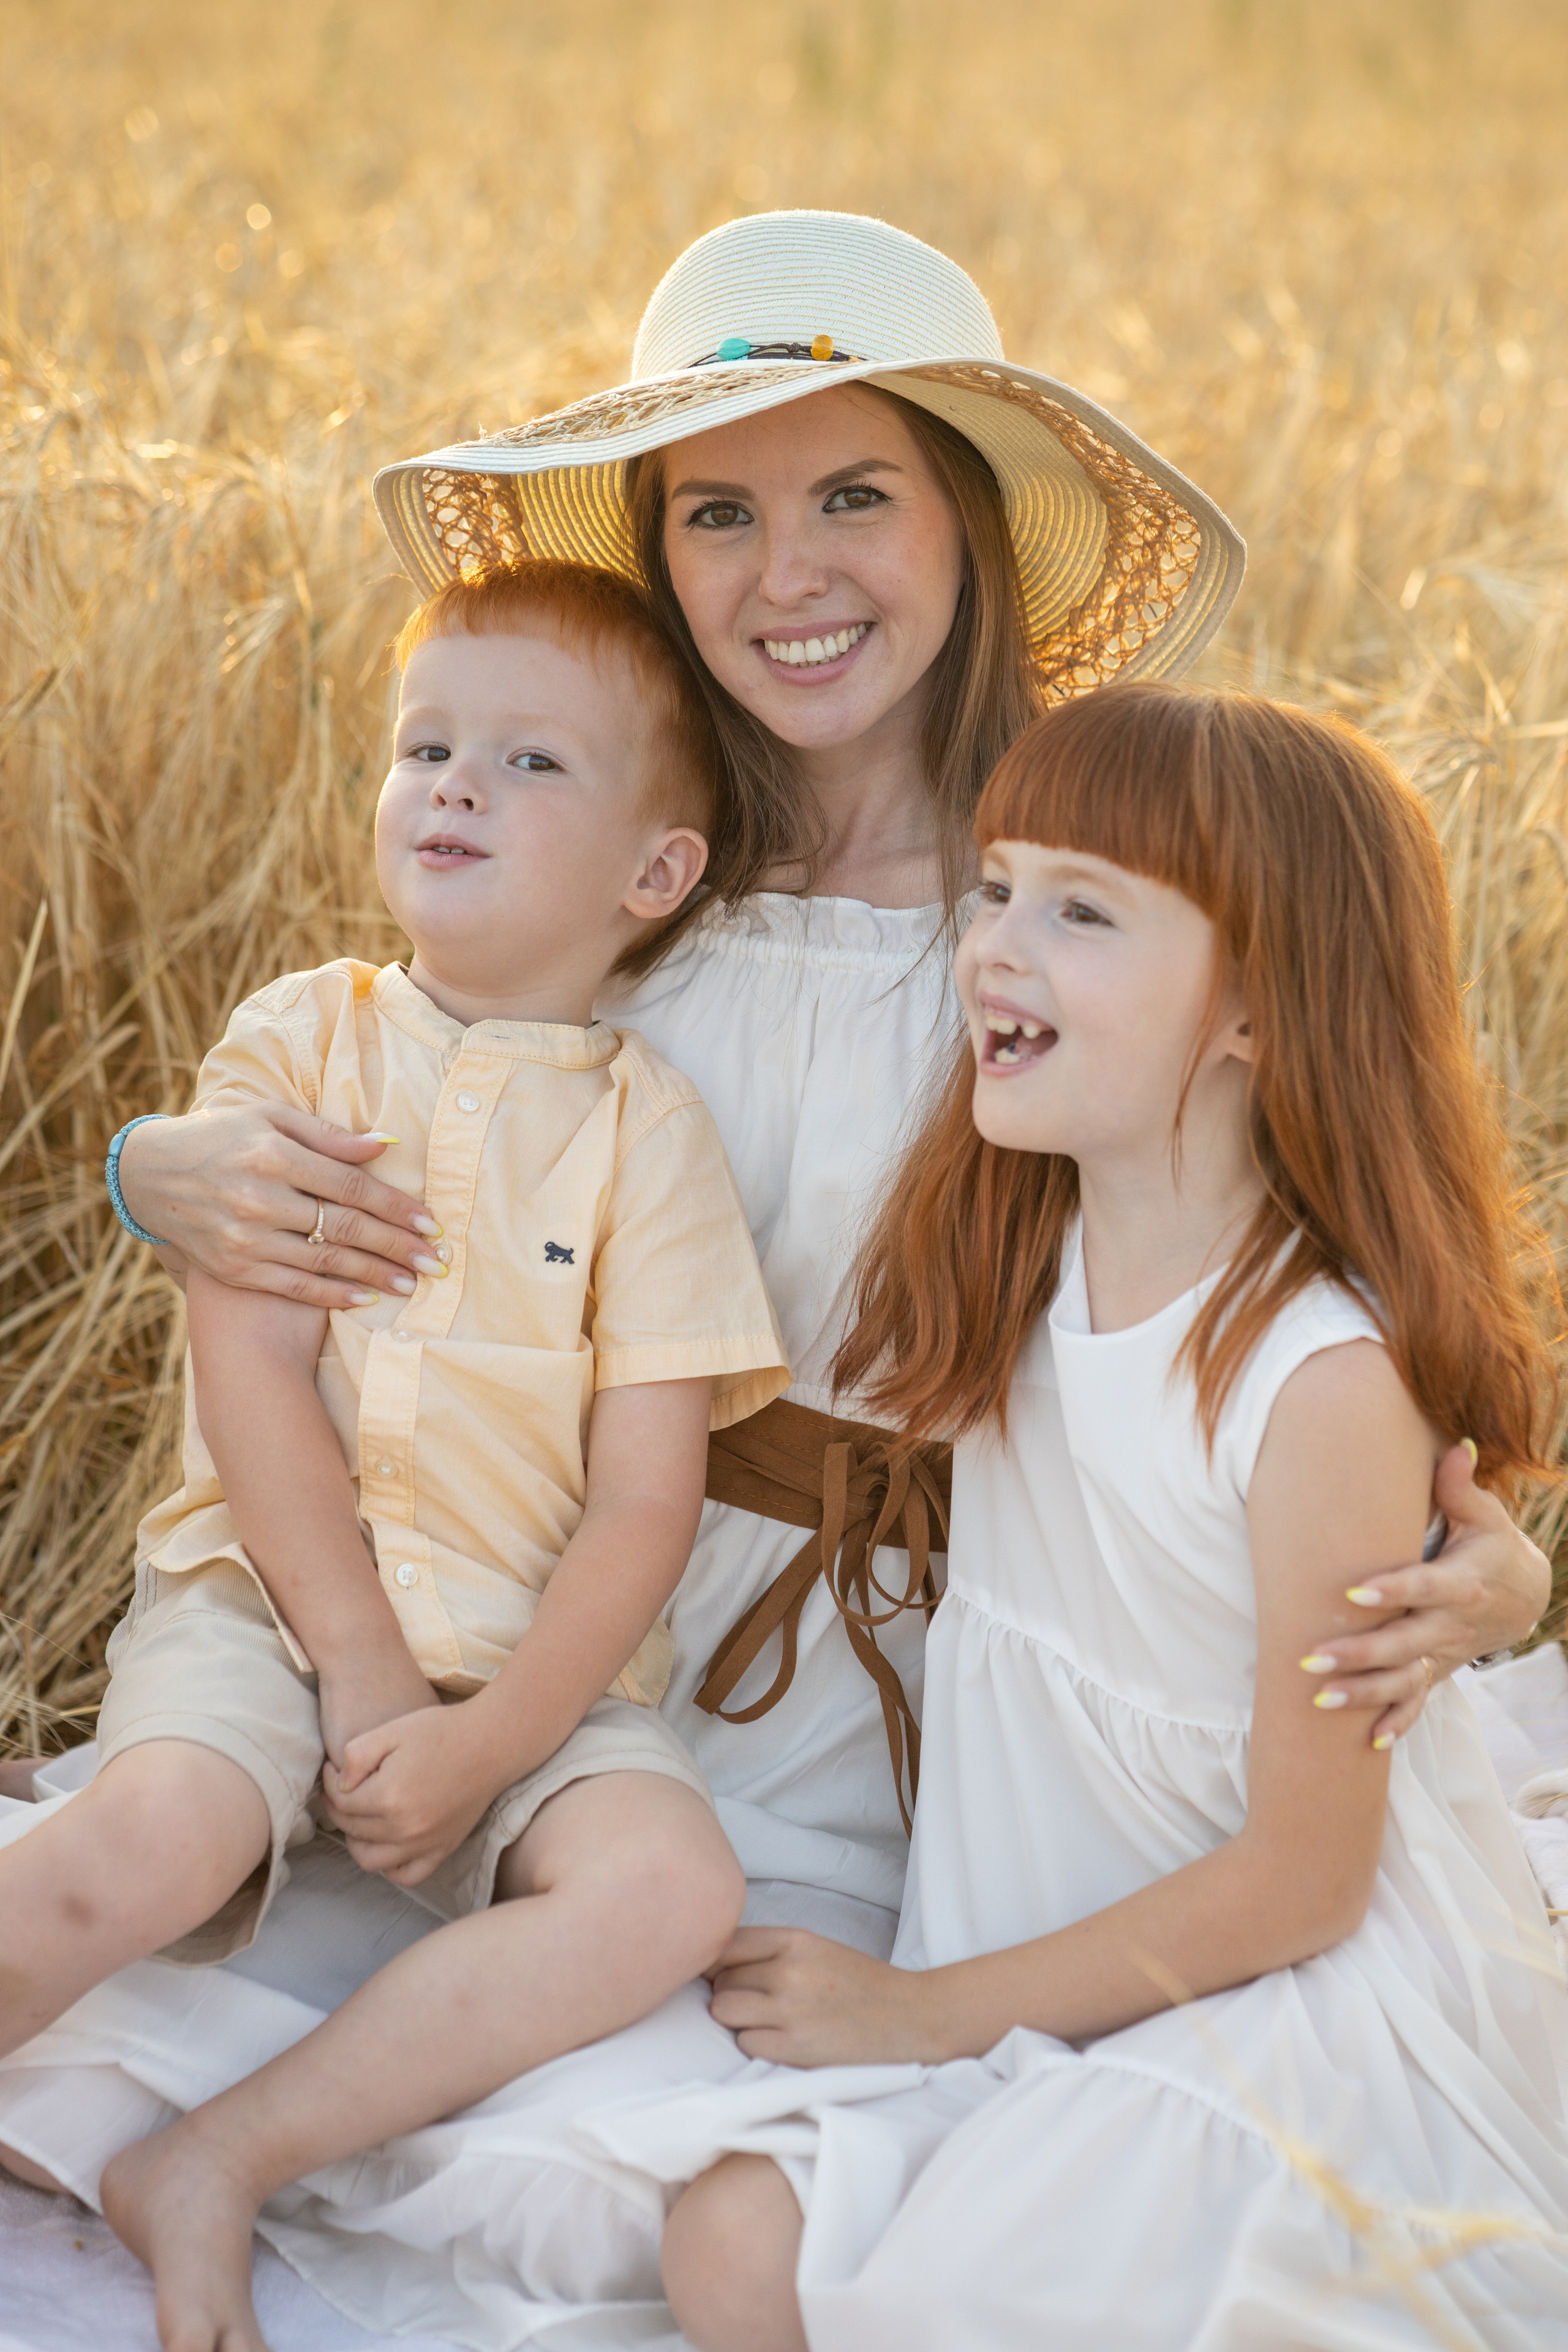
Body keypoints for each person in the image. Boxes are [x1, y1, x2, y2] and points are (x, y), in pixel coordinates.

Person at [0, 213, 1548, 2345]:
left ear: (969, 527)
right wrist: (144, 1160)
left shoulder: (1064, 911)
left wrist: (1503, 1581)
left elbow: (1315, 1306)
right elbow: (376, 1063)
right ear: (654, 549)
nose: (784, 571)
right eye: (716, 512)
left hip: (884, 1689)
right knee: (183, 1987)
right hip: (557, 1614)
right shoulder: (620, 855)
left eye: (854, 499)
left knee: (630, 2133)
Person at [648, 684, 1568, 2351]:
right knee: (725, 2239)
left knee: (959, 2295)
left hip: (1261, 1996)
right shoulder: (1019, 1240)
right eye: (997, 887)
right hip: (1033, 1935)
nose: (996, 944)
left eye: (1082, 911)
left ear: (1261, 1007)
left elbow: (1300, 1884)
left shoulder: (1315, 1378)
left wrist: (917, 2014)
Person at [0, 557, 793, 2333]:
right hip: (271, 1607)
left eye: (529, 765)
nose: (453, 785)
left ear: (654, 874)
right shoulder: (304, 1045)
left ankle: (216, 2156)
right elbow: (251, 1373)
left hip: (533, 1657)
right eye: (426, 745)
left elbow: (648, 1501)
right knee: (154, 1841)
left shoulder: (651, 1139)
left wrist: (499, 1737)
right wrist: (355, 1663)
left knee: (671, 1889)